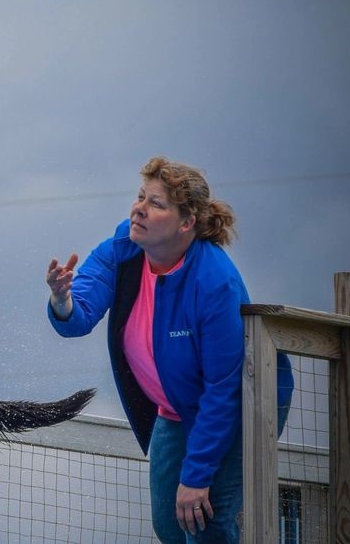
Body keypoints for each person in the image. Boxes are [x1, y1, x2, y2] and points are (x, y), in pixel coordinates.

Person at [44, 156, 293, 543]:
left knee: (206, 519)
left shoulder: (214, 281)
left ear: (186, 222)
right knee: (169, 524)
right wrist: (63, 300)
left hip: (242, 404)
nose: (139, 208)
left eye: (156, 203)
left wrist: (196, 477)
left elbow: (223, 389)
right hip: (175, 408)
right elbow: (79, 316)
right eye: (140, 196)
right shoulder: (124, 246)